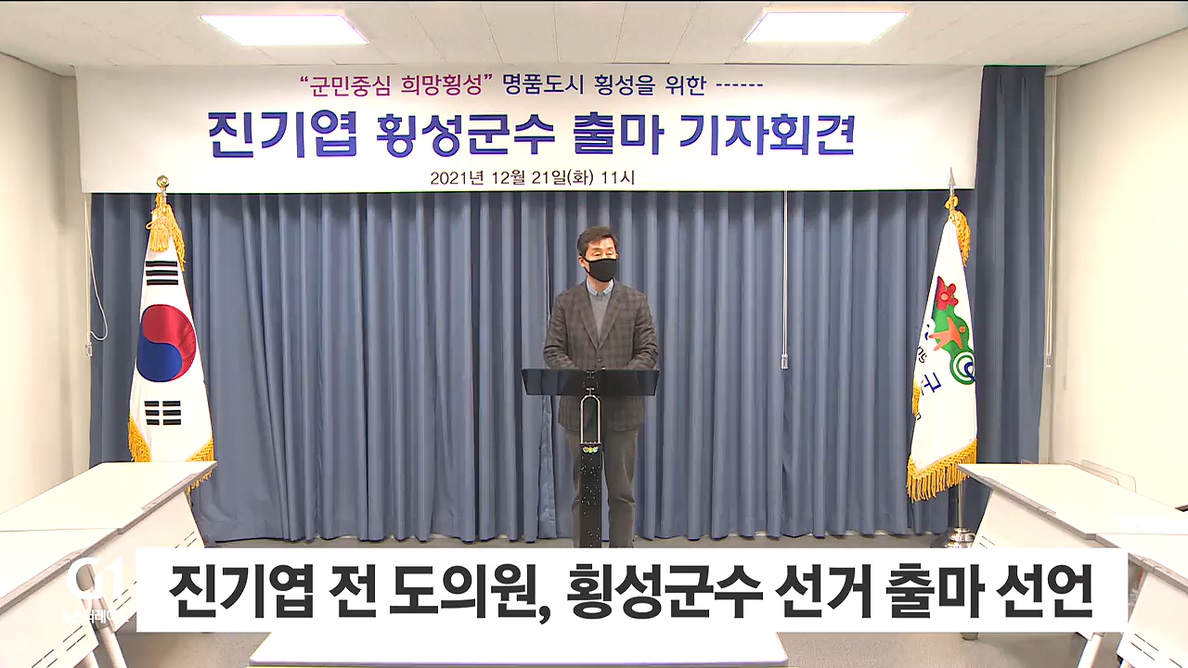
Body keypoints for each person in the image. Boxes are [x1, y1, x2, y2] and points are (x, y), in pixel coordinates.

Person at [543, 226, 659, 548]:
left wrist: (619, 379)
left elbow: (648, 350)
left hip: (623, 411)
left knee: (622, 493)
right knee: (586, 492)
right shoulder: (566, 302)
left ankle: (621, 558)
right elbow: (553, 350)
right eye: (597, 254)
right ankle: (588, 558)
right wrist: (583, 378)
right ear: (583, 261)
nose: (605, 259)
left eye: (610, 253)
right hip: (581, 412)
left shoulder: (635, 301)